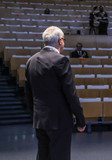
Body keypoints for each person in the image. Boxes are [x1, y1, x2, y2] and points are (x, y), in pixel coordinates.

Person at [25, 26, 86, 160]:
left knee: (43, 156)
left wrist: (34, 116)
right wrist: (80, 119)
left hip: (40, 120)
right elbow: (70, 93)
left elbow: (28, 94)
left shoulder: (31, 61)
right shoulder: (61, 60)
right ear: (60, 41)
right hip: (59, 121)